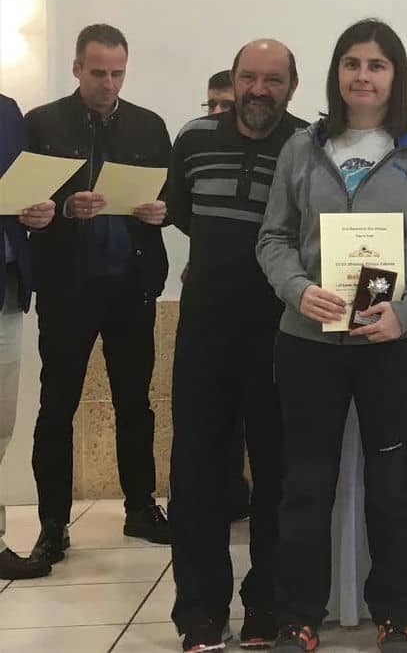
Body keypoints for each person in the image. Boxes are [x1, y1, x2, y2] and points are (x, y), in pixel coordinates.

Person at [257, 18, 407, 653]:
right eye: (351, 64)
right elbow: (274, 238)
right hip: (309, 343)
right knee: (306, 483)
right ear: (335, 74)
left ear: (395, 76)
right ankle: (298, 617)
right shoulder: (302, 147)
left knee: (393, 482)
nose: (362, 76)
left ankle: (395, 614)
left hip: (393, 344)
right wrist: (297, 289)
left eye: (376, 65)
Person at [167, 40, 306, 652]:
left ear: (292, 87)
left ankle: (266, 605)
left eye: (272, 80)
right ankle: (199, 611)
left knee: (278, 472)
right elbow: (180, 212)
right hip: (203, 329)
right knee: (197, 471)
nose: (258, 89)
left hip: (282, 334)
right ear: (234, 79)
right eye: (248, 76)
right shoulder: (194, 137)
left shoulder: (309, 145)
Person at [25, 23, 173, 563]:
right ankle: (52, 524)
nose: (108, 84)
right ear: (76, 68)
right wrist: (60, 211)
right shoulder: (41, 123)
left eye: (117, 73)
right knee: (56, 405)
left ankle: (139, 508)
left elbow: (173, 196)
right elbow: (23, 201)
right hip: (67, 285)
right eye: (98, 73)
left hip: (132, 283)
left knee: (135, 401)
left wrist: (164, 212)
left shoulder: (149, 126)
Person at [0, 94, 56, 580]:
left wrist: (38, 214)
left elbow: (22, 193)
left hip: (7, 289)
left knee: (0, 424)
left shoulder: (7, 112)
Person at [199, 66, 253, 524]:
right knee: (210, 428)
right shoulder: (191, 141)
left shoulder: (297, 144)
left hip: (270, 309)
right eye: (211, 103)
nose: (218, 112)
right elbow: (183, 210)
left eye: (224, 103)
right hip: (207, 307)